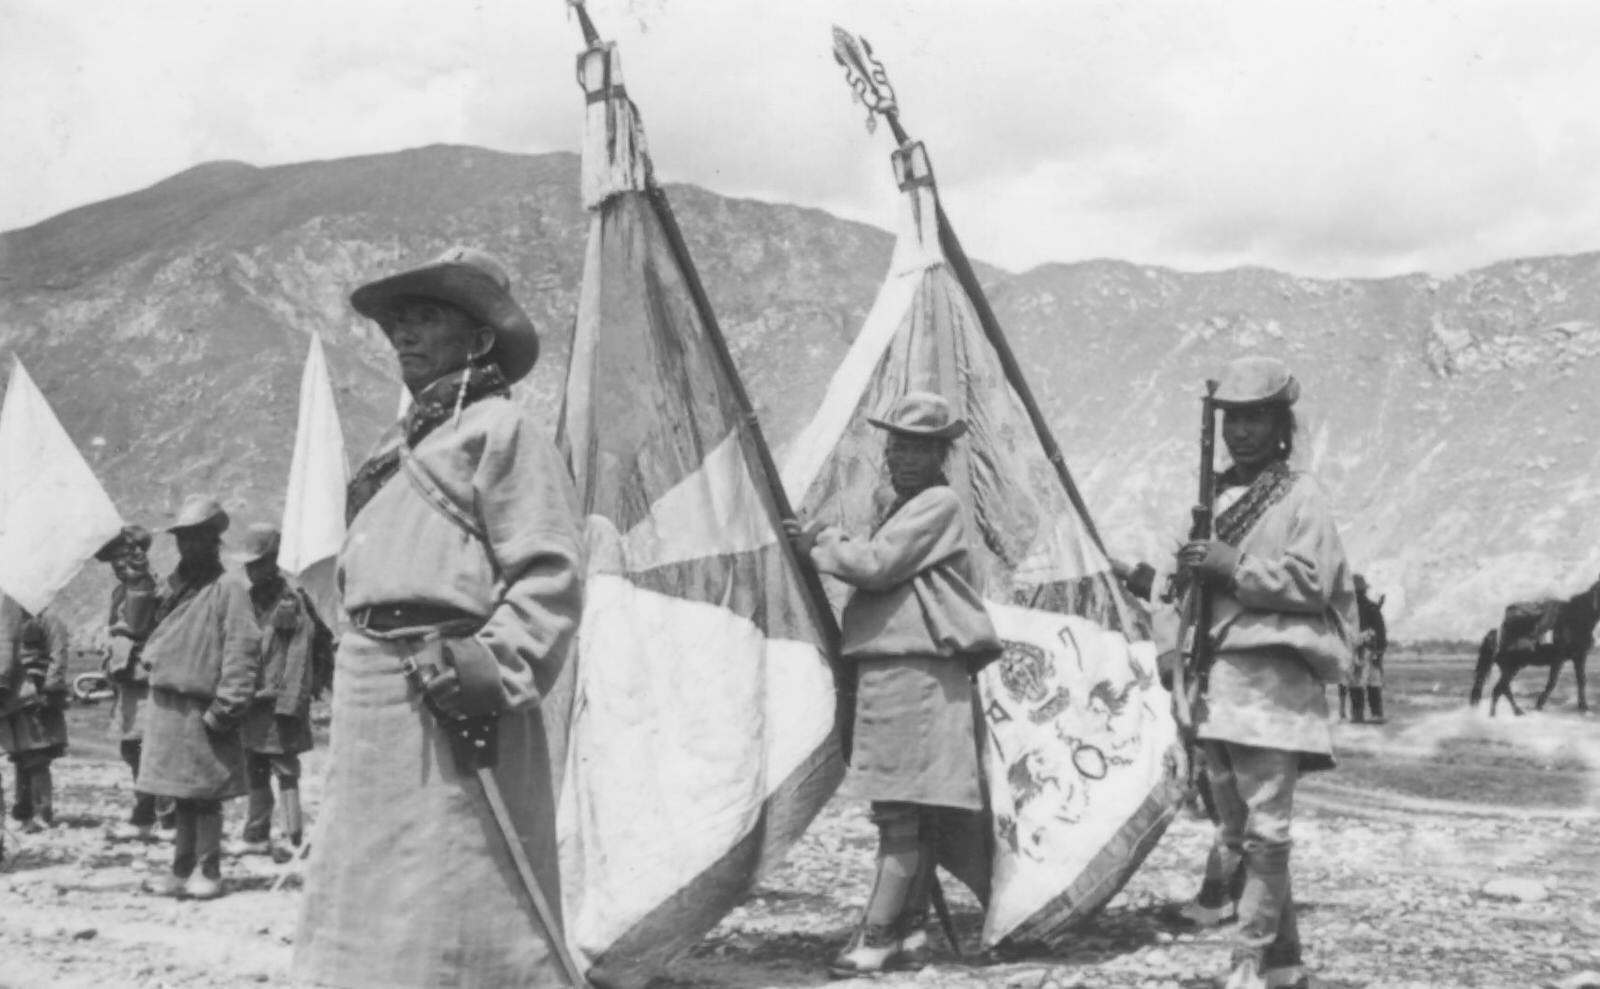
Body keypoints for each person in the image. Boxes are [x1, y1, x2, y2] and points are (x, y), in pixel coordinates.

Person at [294, 247, 584, 989]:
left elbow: (548, 572)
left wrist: (489, 665)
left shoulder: (502, 432)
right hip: (373, 693)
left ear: (479, 339)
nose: (403, 336)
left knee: (463, 873)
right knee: (370, 875)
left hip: (454, 684)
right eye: (397, 323)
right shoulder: (397, 446)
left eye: (425, 319)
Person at [786, 390, 1000, 977]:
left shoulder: (937, 504)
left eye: (916, 447)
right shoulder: (912, 506)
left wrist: (821, 543)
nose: (900, 457)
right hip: (903, 668)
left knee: (900, 809)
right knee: (912, 808)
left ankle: (877, 936)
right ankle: (908, 932)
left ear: (940, 454)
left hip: (915, 669)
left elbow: (876, 565)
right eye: (896, 445)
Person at [1170, 356, 1356, 989]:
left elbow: (1313, 582)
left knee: (1268, 828)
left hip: (1275, 680)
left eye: (1256, 418)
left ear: (1282, 426)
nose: (1242, 432)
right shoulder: (1213, 499)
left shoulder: (1303, 496)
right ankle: (1284, 965)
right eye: (1233, 420)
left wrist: (1233, 566)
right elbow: (1188, 595)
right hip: (1217, 680)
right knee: (1238, 828)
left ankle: (1246, 960)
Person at [137, 496, 263, 899]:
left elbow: (242, 649)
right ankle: (180, 869)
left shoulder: (229, 588)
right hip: (168, 704)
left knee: (206, 796)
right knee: (179, 793)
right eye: (182, 539)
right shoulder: (173, 588)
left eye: (196, 539)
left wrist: (228, 706)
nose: (188, 547)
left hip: (205, 706)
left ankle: (209, 870)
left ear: (214, 542)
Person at [231, 523, 333, 856]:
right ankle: (256, 834)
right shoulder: (247, 601)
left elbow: (299, 657)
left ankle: (293, 838)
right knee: (254, 766)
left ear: (274, 561)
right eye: (248, 564)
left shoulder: (291, 602)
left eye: (258, 563)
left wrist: (289, 704)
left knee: (285, 770)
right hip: (252, 703)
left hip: (280, 705)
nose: (252, 570)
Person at [95, 525, 173, 841]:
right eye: (114, 559)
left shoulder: (147, 586)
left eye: (123, 556)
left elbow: (140, 622)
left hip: (147, 679)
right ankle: (146, 814)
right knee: (133, 749)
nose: (118, 564)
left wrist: (138, 579)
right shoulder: (121, 590)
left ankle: (167, 817)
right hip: (128, 680)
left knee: (153, 748)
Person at [0, 599, 71, 834]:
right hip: (15, 699)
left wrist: (51, 688)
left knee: (37, 758)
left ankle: (42, 812)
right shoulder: (11, 621)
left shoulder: (48, 620)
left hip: (35, 696)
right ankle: (24, 811)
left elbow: (59, 654)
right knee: (21, 756)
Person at [1346, 574, 1387, 724]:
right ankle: (1375, 714)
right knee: (1372, 683)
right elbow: (1381, 634)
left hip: (1359, 651)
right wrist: (1379, 652)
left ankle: (1358, 715)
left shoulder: (1348, 610)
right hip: (1369, 651)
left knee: (1357, 683)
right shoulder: (1371, 608)